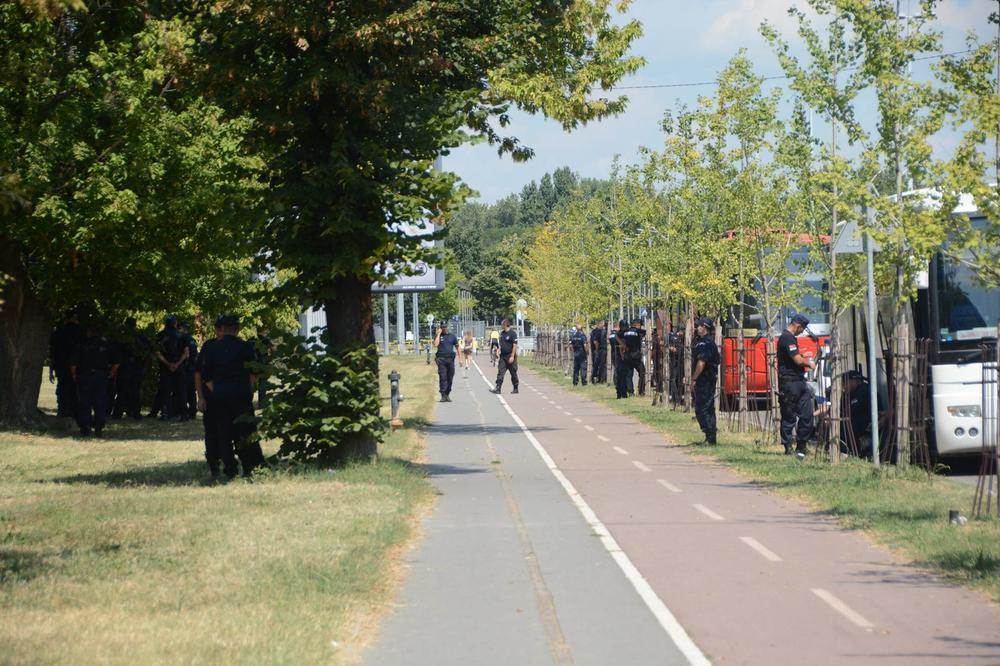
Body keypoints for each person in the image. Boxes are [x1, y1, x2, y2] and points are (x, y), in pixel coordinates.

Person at [198, 314, 263, 478]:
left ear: (222, 329)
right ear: (237, 329)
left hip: (219, 396)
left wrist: (217, 390)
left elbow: (205, 376)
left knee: (223, 434)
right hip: (241, 395)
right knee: (244, 432)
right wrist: (249, 391)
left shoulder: (211, 348)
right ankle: (248, 467)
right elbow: (253, 373)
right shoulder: (246, 347)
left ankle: (230, 469)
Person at [69, 322, 120, 438]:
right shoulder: (107, 344)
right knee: (100, 401)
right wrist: (112, 372)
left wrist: (74, 375)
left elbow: (73, 363)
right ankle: (99, 427)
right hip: (101, 376)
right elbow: (116, 362)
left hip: (84, 375)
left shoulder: (82, 344)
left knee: (84, 401)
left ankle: (85, 427)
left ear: (89, 332)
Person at [777, 314, 816, 458]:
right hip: (789, 383)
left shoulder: (790, 338)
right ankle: (788, 447)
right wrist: (809, 363)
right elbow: (797, 361)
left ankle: (801, 446)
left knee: (807, 415)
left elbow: (794, 356)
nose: (802, 332)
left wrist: (802, 355)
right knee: (789, 416)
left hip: (799, 382)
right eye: (802, 329)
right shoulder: (787, 338)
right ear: (798, 326)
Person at [195, 319, 226, 479]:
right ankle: (213, 462)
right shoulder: (209, 346)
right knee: (212, 431)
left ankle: (228, 460)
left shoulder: (239, 346)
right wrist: (200, 397)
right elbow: (198, 372)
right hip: (211, 396)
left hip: (230, 396)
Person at [150, 315, 189, 420]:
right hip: (179, 366)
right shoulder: (182, 336)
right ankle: (184, 414)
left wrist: (168, 364)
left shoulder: (160, 335)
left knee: (165, 390)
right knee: (181, 390)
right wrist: (177, 364)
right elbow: (186, 353)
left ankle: (166, 413)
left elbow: (158, 353)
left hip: (165, 366)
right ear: (175, 324)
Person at [691, 317, 720, 445]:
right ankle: (710, 436)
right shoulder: (706, 341)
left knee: (703, 408)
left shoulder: (705, 343)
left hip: (705, 380)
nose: (696, 328)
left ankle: (710, 436)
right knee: (706, 408)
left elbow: (701, 363)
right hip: (707, 379)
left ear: (704, 327)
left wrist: (694, 378)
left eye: (699, 326)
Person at [49, 312, 83, 417]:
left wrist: (51, 369)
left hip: (61, 365)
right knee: (76, 389)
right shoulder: (81, 331)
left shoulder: (58, 332)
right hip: (79, 365)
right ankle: (76, 412)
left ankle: (62, 411)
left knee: (62, 389)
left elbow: (53, 352)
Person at [619, 317, 646, 398]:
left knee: (629, 375)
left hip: (627, 356)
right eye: (640, 325)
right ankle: (641, 391)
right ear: (637, 325)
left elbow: (621, 342)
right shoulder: (638, 331)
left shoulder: (625, 332)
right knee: (642, 372)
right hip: (636, 356)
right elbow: (646, 333)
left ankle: (630, 392)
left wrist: (622, 354)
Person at [491, 318, 519, 395]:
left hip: (510, 355)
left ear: (506, 324)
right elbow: (501, 344)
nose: (501, 326)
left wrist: (512, 356)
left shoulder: (513, 333)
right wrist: (498, 350)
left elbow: (515, 345)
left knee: (513, 373)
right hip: (503, 357)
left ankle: (515, 387)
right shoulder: (502, 333)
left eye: (502, 324)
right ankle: (498, 388)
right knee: (500, 372)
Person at [433, 321, 459, 402]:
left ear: (447, 327)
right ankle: (443, 395)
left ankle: (447, 393)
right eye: (442, 327)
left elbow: (457, 347)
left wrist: (460, 359)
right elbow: (435, 344)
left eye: (445, 327)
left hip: (450, 359)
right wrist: (438, 334)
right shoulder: (438, 336)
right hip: (441, 359)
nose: (444, 328)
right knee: (443, 377)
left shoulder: (452, 336)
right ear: (440, 328)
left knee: (450, 377)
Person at [178, 321, 199, 420]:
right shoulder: (192, 339)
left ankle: (184, 413)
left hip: (186, 367)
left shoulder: (183, 339)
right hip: (193, 367)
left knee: (183, 390)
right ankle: (192, 412)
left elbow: (186, 354)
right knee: (191, 391)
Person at [590, 320, 607, 384]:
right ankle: (598, 379)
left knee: (599, 365)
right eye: (602, 324)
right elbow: (595, 342)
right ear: (599, 324)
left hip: (600, 350)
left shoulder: (601, 331)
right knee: (598, 365)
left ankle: (600, 379)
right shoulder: (596, 331)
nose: (603, 325)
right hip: (598, 350)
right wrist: (597, 350)